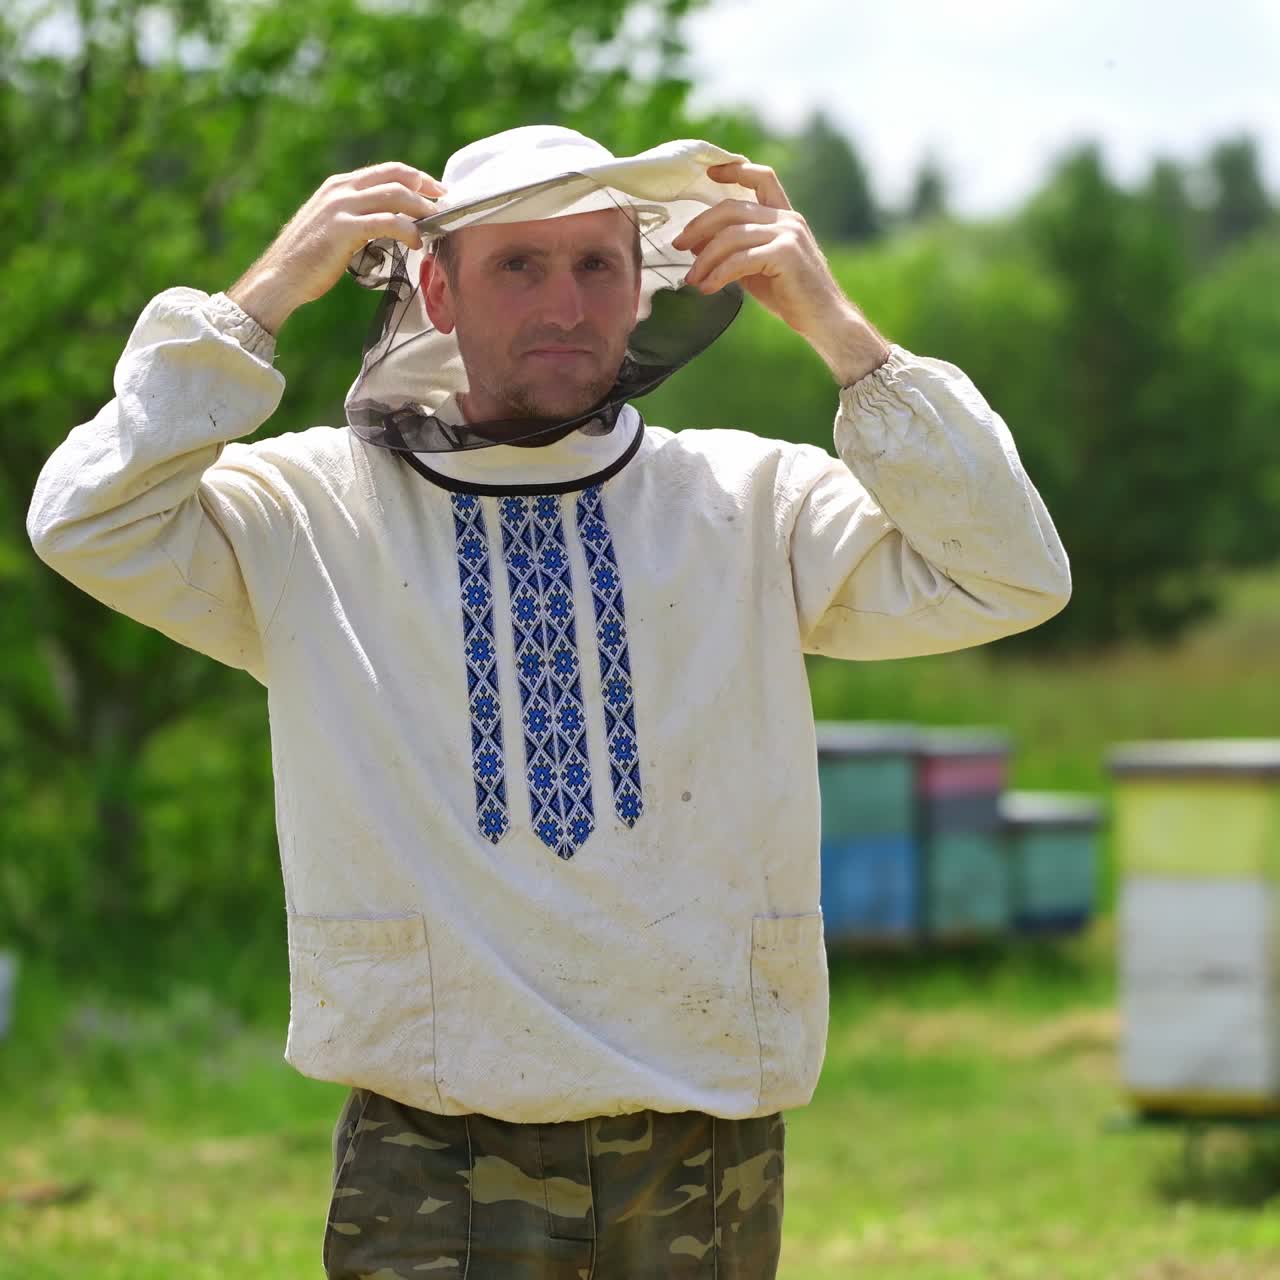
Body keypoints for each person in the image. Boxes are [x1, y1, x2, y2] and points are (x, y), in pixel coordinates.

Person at [27, 126, 1071, 1278]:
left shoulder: (751, 496)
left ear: (639, 291)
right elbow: (85, 518)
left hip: (704, 1135)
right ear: (438, 286)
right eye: (517, 264)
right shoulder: (305, 512)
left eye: (596, 265)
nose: (564, 303)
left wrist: (839, 328)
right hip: (431, 1146)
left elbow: (1011, 573)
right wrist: (260, 297)